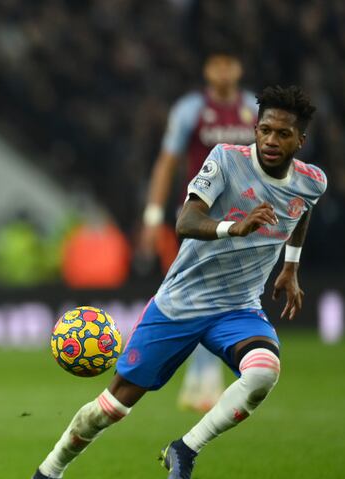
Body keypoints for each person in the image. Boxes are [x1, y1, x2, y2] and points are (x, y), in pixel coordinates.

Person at [24, 85, 324, 479]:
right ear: (255, 130)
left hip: (237, 308)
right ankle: (49, 471)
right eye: (265, 130)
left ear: (300, 141)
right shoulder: (225, 159)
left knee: (264, 373)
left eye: (282, 134)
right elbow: (185, 220)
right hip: (180, 303)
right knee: (110, 410)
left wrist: (291, 266)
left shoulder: (312, 181)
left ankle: (185, 449)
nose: (271, 141)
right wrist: (232, 228)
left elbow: (302, 209)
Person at [137, 49, 259, 413]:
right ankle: (201, 381)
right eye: (217, 64)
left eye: (229, 62)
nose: (223, 70)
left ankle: (198, 381)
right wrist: (153, 215)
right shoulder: (191, 109)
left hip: (243, 220)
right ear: (207, 70)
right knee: (205, 294)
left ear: (238, 67)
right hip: (199, 218)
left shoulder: (254, 107)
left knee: (216, 295)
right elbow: (167, 162)